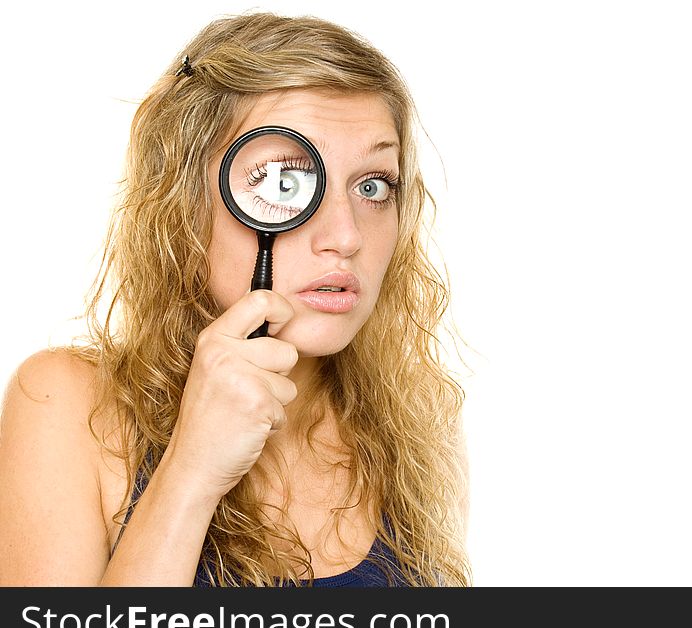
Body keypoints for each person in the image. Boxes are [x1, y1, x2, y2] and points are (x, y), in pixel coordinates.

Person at [0, 12, 470, 587]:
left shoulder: (411, 427)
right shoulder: (66, 404)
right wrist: (191, 470)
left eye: (373, 186)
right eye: (283, 183)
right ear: (186, 204)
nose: (346, 237)